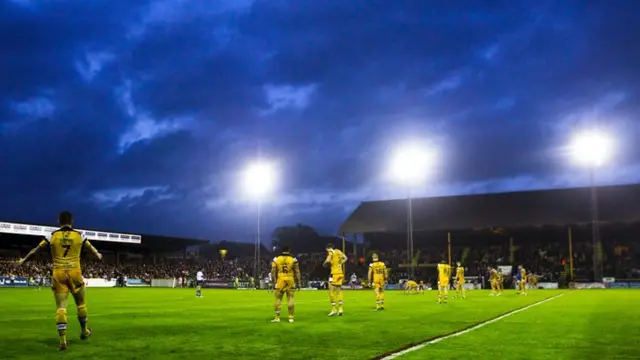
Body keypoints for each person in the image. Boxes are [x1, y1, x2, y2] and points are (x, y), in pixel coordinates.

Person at [18, 211, 103, 351]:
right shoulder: (79, 235)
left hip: (58, 273)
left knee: (61, 307)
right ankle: (84, 331)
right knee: (81, 304)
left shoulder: (52, 235)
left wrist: (23, 260)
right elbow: (92, 249)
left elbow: (35, 250)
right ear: (72, 221)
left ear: (59, 221)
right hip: (75, 272)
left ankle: (63, 341)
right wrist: (98, 255)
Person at [271, 247, 301, 323]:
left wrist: (273, 281)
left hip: (280, 279)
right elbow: (297, 271)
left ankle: (277, 317)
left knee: (278, 299)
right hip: (290, 279)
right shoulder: (293, 259)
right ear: (289, 251)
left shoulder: (276, 259)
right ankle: (291, 318)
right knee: (290, 298)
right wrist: (299, 282)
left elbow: (273, 271)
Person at [323, 243, 347, 316]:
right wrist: (340, 264)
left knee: (331, 290)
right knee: (339, 291)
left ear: (328, 248)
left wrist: (324, 263)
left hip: (334, 273)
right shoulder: (338, 251)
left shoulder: (331, 252)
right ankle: (340, 308)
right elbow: (346, 258)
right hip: (340, 272)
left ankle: (333, 309)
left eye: (327, 250)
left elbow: (328, 260)